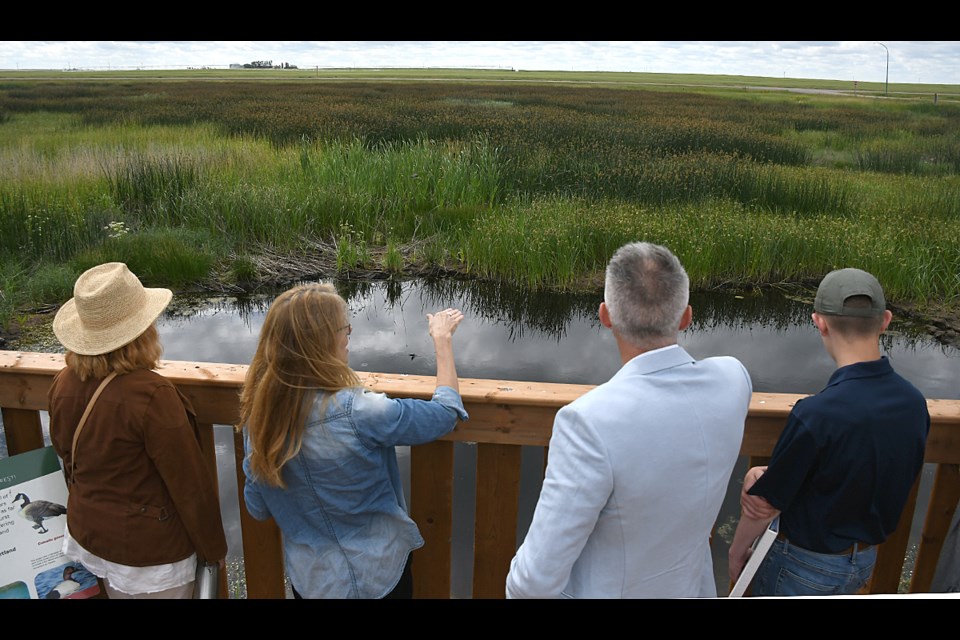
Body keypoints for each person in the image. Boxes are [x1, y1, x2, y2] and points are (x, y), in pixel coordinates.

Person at [505, 241, 753, 598]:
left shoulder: (588, 421)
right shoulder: (733, 380)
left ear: (605, 316)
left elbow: (533, 583)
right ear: (686, 317)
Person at [238, 282, 469, 599]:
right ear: (322, 343)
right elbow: (444, 413)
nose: (348, 336)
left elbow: (258, 508)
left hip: (314, 582)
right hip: (380, 575)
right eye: (344, 329)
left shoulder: (258, 423)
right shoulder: (359, 410)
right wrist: (442, 340)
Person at [728, 267, 930, 597]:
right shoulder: (913, 403)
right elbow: (864, 469)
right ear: (885, 321)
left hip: (804, 567)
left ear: (819, 322)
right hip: (864, 560)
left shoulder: (817, 413)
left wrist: (737, 554)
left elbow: (763, 505)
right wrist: (769, 473)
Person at [48, 262, 228, 599]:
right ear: (141, 330)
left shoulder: (63, 382)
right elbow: (190, 486)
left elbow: (66, 454)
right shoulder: (151, 394)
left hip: (92, 536)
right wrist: (213, 550)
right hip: (150, 556)